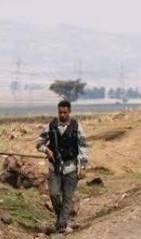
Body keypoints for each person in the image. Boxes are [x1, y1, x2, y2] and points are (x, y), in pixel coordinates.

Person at [36, 100, 88, 235]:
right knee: (54, 194)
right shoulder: (51, 126)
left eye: (65, 112)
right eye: (60, 112)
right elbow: (39, 143)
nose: (62, 115)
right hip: (54, 167)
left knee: (67, 198)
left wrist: (83, 167)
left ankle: (61, 225)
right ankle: (61, 219)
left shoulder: (76, 126)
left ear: (69, 112)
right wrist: (46, 150)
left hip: (71, 167)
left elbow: (83, 146)